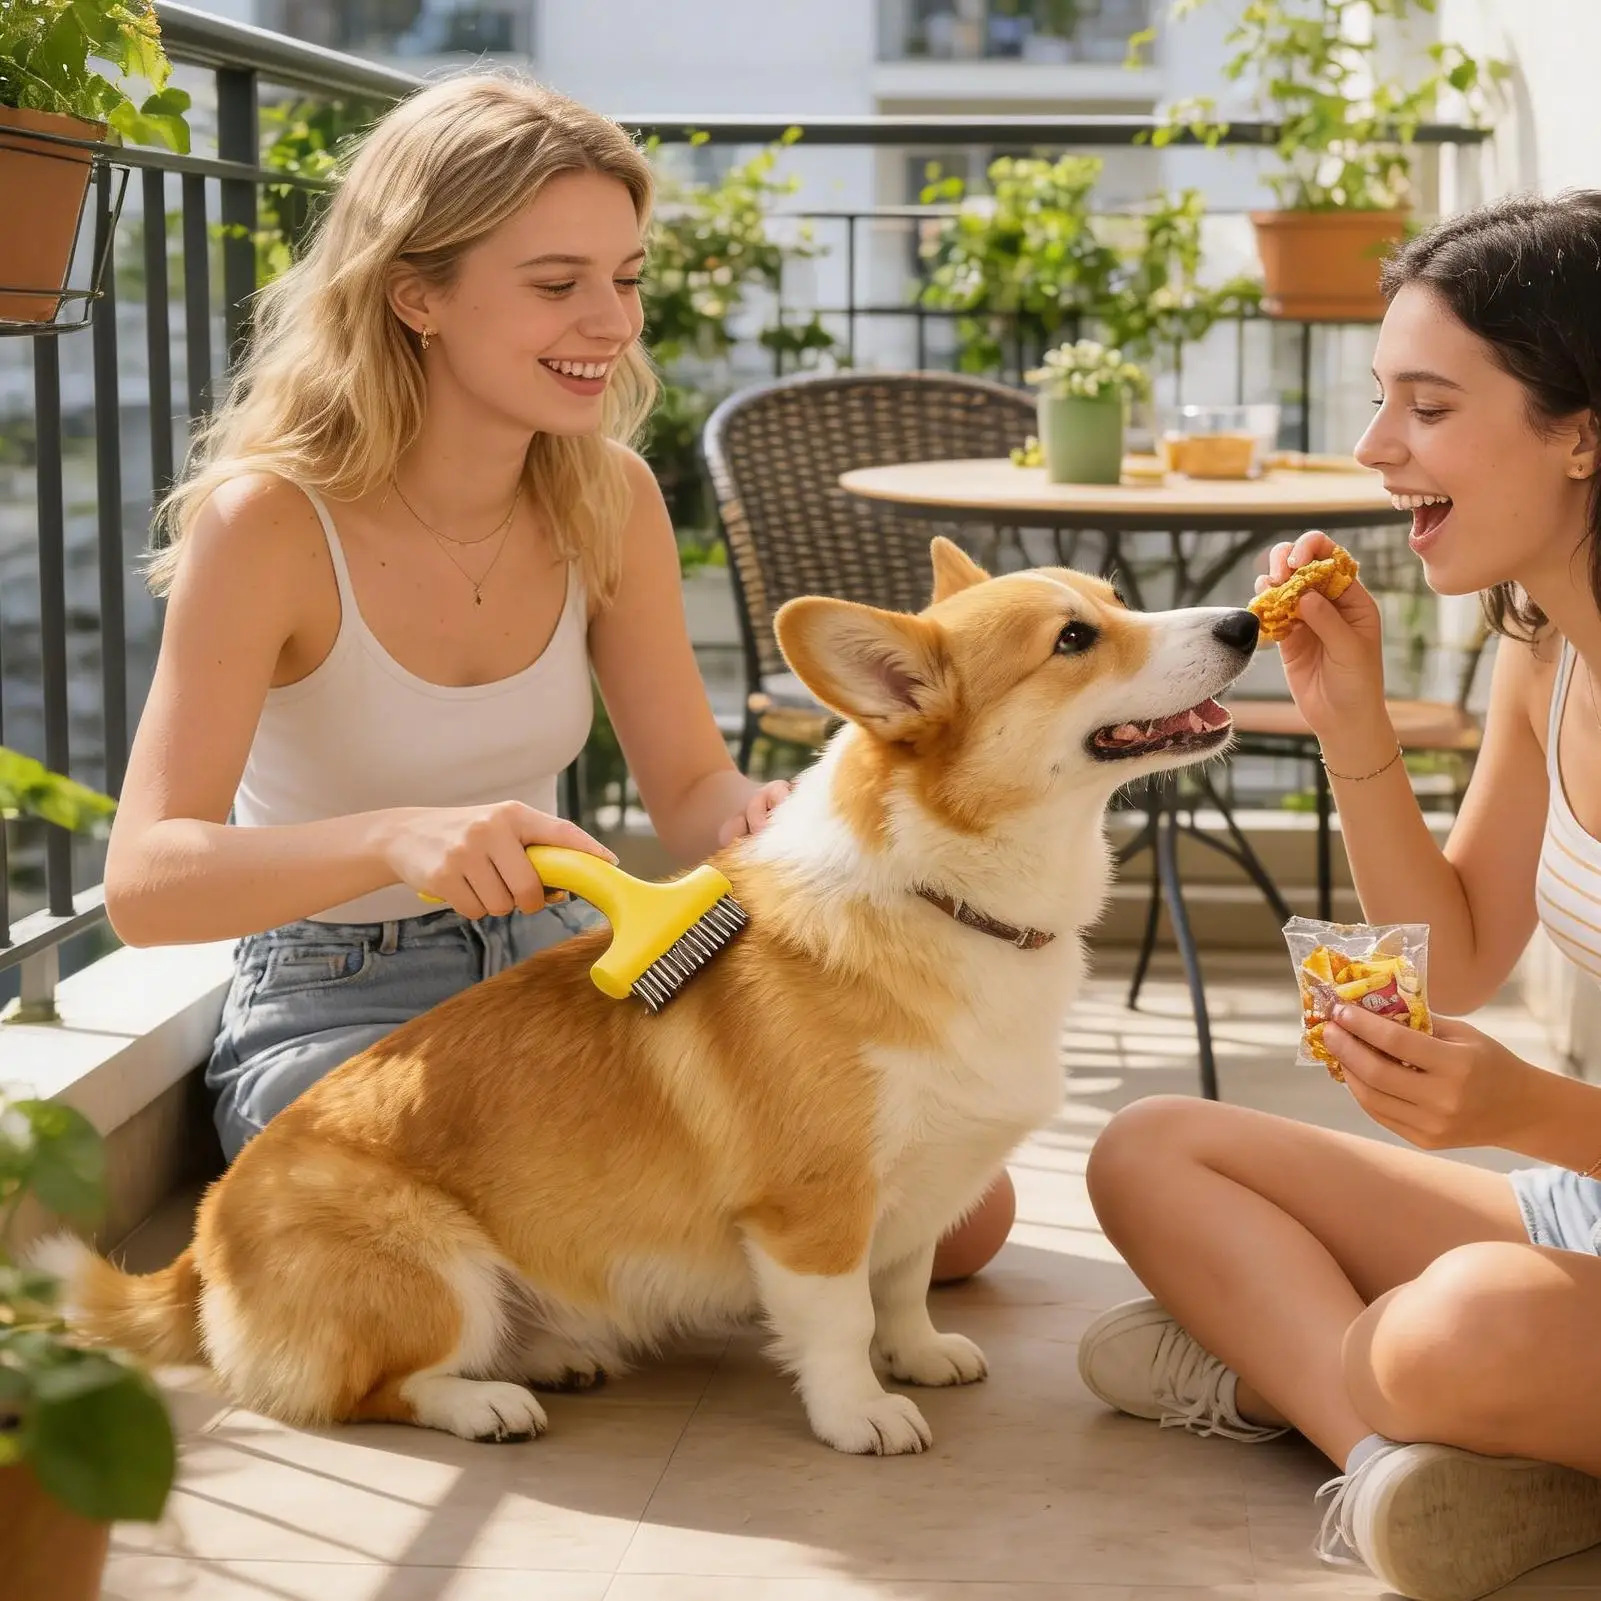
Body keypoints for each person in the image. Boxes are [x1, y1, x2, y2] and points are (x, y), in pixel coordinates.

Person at [101, 72, 1015, 1280]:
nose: (612, 322)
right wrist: (395, 841)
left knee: (959, 1220)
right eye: (556, 285)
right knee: (448, 1246)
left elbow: (689, 789)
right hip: (340, 998)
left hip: (570, 967)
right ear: (416, 293)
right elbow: (145, 882)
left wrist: (756, 813)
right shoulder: (268, 523)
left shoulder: (606, 497)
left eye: (624, 279)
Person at [1076, 191, 1601, 1601]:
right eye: (1383, 403)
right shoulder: (1545, 649)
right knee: (1149, 1149)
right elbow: (1461, 955)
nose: (1376, 453)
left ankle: (1315, 1386)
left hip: (1572, 1179)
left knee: (1458, 1331)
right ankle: (1402, 1465)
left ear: (1580, 429)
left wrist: (1527, 1112)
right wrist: (1348, 716)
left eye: (1425, 408)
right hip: (1588, 1207)